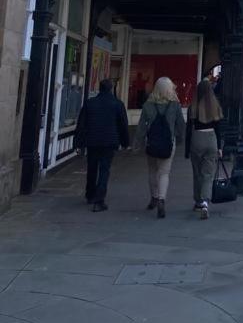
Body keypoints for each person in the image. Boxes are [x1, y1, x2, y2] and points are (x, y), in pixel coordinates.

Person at [133, 76, 186, 218]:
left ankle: (154, 197)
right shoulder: (175, 105)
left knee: (152, 171)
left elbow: (141, 127)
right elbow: (181, 125)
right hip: (169, 143)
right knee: (164, 173)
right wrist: (181, 140)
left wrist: (137, 143)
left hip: (152, 142)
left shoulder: (148, 105)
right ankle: (162, 199)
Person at [74, 78, 129, 212]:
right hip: (109, 141)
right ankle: (99, 200)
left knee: (92, 167)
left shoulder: (89, 103)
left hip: (92, 141)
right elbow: (123, 125)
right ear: (111, 89)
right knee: (104, 170)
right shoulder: (117, 104)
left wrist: (78, 142)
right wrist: (125, 142)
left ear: (100, 88)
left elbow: (81, 124)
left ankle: (90, 194)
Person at [185, 79, 224, 219]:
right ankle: (206, 202)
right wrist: (219, 147)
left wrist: (186, 149)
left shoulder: (192, 107)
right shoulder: (215, 106)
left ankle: (198, 201)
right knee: (208, 174)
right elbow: (219, 129)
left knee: (197, 173)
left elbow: (188, 130)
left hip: (196, 138)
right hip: (211, 138)